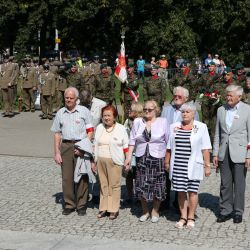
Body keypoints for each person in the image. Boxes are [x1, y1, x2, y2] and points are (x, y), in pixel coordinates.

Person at [165, 102, 211, 229]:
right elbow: (169, 147)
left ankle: (191, 217)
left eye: (188, 112)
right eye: (183, 112)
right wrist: (167, 162)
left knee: (192, 192)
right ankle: (183, 216)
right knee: (180, 192)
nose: (185, 114)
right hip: (178, 165)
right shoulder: (174, 126)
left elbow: (206, 148)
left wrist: (207, 165)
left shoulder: (201, 127)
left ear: (194, 114)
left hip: (194, 164)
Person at [51, 87, 94, 216]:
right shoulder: (60, 113)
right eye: (66, 98)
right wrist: (57, 153)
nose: (68, 100)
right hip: (66, 146)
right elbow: (57, 134)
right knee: (67, 177)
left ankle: (81, 204)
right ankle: (69, 204)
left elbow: (90, 131)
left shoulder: (84, 111)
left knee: (82, 175)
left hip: (81, 145)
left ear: (77, 99)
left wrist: (84, 147)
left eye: (71, 98)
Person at [124, 100, 170, 223]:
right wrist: (128, 158)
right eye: (145, 109)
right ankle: (145, 211)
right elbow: (132, 141)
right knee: (141, 184)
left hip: (158, 157)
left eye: (150, 109)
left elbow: (168, 141)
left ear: (156, 110)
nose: (147, 112)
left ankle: (155, 210)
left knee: (158, 184)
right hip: (142, 157)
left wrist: (168, 160)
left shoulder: (163, 122)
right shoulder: (138, 122)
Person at [213, 85, 250, 224]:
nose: (228, 97)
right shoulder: (221, 110)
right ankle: (225, 210)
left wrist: (248, 155)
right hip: (224, 152)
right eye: (227, 95)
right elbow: (218, 133)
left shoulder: (247, 110)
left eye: (231, 95)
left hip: (240, 152)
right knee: (225, 184)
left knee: (239, 184)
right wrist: (215, 153)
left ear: (239, 97)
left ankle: (238, 211)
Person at [161, 86, 199, 210]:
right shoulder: (166, 109)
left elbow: (196, 131)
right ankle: (164, 201)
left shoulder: (192, 111)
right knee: (165, 175)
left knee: (180, 176)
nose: (176, 98)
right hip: (167, 147)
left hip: (183, 149)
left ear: (186, 98)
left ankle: (179, 205)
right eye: (175, 96)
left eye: (179, 97)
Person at [94, 105, 129, 220]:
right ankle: (103, 207)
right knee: (103, 184)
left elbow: (125, 146)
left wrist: (127, 159)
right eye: (104, 115)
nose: (106, 118)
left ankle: (113, 209)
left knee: (114, 185)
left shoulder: (120, 128)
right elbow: (95, 144)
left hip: (115, 161)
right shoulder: (99, 127)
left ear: (114, 117)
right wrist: (94, 160)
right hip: (100, 160)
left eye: (109, 115)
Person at [123, 102, 144, 204]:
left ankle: (140, 197)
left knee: (139, 175)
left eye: (131, 110)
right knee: (129, 175)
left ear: (137, 112)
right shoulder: (127, 122)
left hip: (138, 152)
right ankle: (130, 196)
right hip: (128, 152)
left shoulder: (142, 122)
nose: (128, 111)